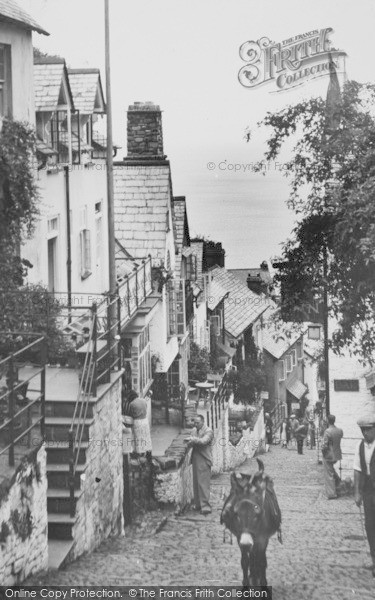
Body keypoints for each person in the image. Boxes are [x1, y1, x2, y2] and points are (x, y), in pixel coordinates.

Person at [353, 410, 375, 577]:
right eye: (363, 430)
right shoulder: (360, 446)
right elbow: (358, 470)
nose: (365, 433)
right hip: (368, 490)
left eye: (368, 429)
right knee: (370, 526)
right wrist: (357, 492)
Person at [185, 414, 214, 515]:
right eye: (194, 422)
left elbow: (203, 441)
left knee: (203, 483)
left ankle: (205, 506)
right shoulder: (194, 430)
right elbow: (191, 443)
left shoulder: (208, 431)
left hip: (204, 458)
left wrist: (193, 440)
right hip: (196, 457)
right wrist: (188, 443)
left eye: (197, 423)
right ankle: (198, 504)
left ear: (203, 422)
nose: (195, 424)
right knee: (196, 482)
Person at [321, 414, 343, 499]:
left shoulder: (327, 431)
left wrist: (323, 452)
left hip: (329, 455)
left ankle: (331, 493)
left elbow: (324, 445)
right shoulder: (339, 430)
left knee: (329, 474)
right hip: (337, 454)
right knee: (332, 471)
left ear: (327, 421)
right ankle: (339, 484)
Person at [127, 389, 152, 457]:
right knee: (146, 437)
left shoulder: (132, 404)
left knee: (138, 438)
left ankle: (140, 454)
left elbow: (130, 414)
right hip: (145, 421)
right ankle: (148, 451)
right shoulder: (143, 400)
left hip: (137, 422)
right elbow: (146, 408)